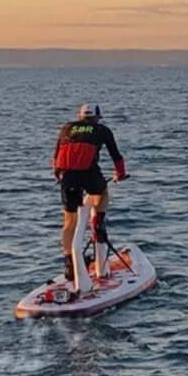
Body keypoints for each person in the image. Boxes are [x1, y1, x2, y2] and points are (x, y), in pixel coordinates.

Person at [51, 103, 127, 295]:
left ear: (80, 116)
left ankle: (69, 264)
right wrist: (120, 174)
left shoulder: (67, 127)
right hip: (89, 174)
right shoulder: (102, 130)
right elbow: (116, 157)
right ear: (97, 117)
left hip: (67, 176)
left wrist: (58, 175)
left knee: (69, 221)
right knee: (102, 193)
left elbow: (56, 156)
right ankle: (98, 223)